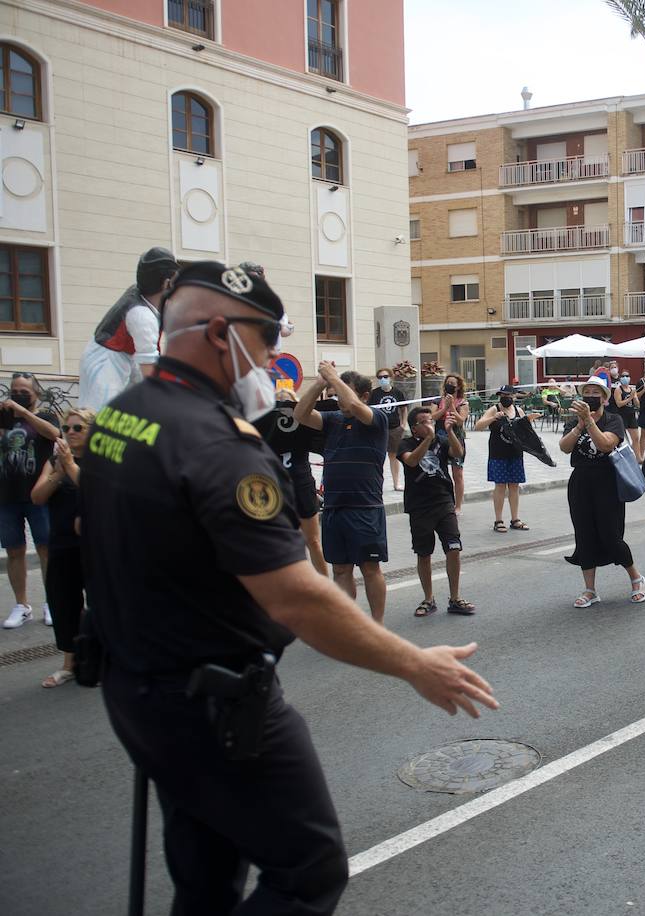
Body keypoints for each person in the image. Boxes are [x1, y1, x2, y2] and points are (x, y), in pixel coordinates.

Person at [81, 260, 497, 914]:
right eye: (266, 339)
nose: (271, 358)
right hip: (215, 701)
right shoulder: (216, 444)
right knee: (309, 868)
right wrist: (415, 663)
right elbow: (297, 597)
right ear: (220, 332)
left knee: (207, 877)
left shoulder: (121, 416)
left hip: (140, 685)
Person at [294, 366, 390, 622]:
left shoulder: (376, 419)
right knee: (340, 569)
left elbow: (357, 408)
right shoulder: (333, 420)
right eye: (336, 395)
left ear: (365, 396)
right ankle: (350, 625)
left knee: (370, 569)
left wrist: (335, 377)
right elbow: (301, 414)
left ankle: (377, 625)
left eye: (345, 394)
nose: (340, 401)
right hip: (335, 508)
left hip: (365, 508)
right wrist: (319, 383)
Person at [559, 377, 645, 607]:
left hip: (607, 482)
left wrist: (590, 421)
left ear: (605, 399)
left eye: (595, 393)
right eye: (586, 392)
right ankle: (590, 590)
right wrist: (580, 424)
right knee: (584, 534)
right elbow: (565, 447)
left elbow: (606, 444)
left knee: (611, 534)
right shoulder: (575, 421)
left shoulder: (613, 419)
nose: (590, 396)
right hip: (581, 481)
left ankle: (636, 578)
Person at [30, 407, 93, 687]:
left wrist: (70, 466)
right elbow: (37, 497)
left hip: (94, 546)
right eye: (67, 428)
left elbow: (95, 491)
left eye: (77, 428)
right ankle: (69, 664)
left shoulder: (100, 460)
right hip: (62, 543)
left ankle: (102, 660)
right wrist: (57, 471)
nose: (70, 433)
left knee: (101, 605)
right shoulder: (55, 460)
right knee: (63, 603)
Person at [77, 247, 180, 409]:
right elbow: (149, 370)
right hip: (107, 362)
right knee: (99, 414)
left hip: (125, 357)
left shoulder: (141, 295)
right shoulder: (141, 315)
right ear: (166, 283)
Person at [398, 406, 473, 616]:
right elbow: (411, 461)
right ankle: (428, 598)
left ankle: (455, 597)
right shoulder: (406, 443)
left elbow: (458, 453)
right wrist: (426, 440)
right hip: (419, 506)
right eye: (424, 421)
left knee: (454, 548)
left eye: (431, 420)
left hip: (443, 502)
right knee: (424, 553)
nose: (430, 424)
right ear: (414, 428)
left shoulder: (441, 440)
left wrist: (449, 432)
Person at [1, 373, 60, 629]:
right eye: (14, 390)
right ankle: (22, 605)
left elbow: (55, 433)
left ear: (35, 393)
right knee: (14, 550)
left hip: (38, 495)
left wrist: (23, 413)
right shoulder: (4, 416)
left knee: (46, 549)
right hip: (7, 495)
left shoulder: (45, 415)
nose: (18, 394)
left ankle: (52, 603)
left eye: (23, 390)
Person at [254, 389, 327, 575]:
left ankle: (324, 587)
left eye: (286, 403)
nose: (282, 409)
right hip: (274, 488)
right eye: (279, 403)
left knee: (313, 541)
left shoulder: (302, 423)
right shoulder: (263, 425)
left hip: (301, 485)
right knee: (286, 543)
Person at [474, 384, 539, 533]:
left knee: (514, 485)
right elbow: (478, 426)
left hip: (515, 453)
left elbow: (526, 432)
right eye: (502, 396)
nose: (505, 398)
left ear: (514, 397)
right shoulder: (494, 409)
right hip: (498, 453)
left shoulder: (518, 411)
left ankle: (515, 519)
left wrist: (529, 420)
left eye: (508, 396)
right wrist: (492, 418)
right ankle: (498, 520)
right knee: (500, 485)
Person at [433, 374, 470, 512]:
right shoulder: (437, 401)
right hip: (440, 437)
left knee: (457, 473)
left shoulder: (463, 402)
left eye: (452, 383)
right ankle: (441, 501)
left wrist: (452, 407)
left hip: (456, 437)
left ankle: (458, 505)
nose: (449, 385)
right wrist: (444, 408)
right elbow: (433, 417)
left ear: (458, 386)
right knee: (439, 471)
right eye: (448, 383)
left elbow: (461, 421)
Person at [368, 367, 405, 492]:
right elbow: (369, 409)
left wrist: (403, 424)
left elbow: (403, 408)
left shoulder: (397, 393)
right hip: (379, 429)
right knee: (378, 456)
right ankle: (377, 484)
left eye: (385, 377)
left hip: (394, 428)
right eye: (380, 377)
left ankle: (396, 483)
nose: (383, 379)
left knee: (393, 456)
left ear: (390, 378)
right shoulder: (374, 393)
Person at [612, 373, 640, 459]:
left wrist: (634, 398)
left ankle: (638, 458)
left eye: (627, 376)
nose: (625, 378)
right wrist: (629, 398)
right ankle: (621, 457)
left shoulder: (631, 389)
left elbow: (638, 404)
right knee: (621, 438)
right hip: (622, 415)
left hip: (631, 415)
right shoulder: (618, 390)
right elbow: (619, 404)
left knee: (636, 438)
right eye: (623, 376)